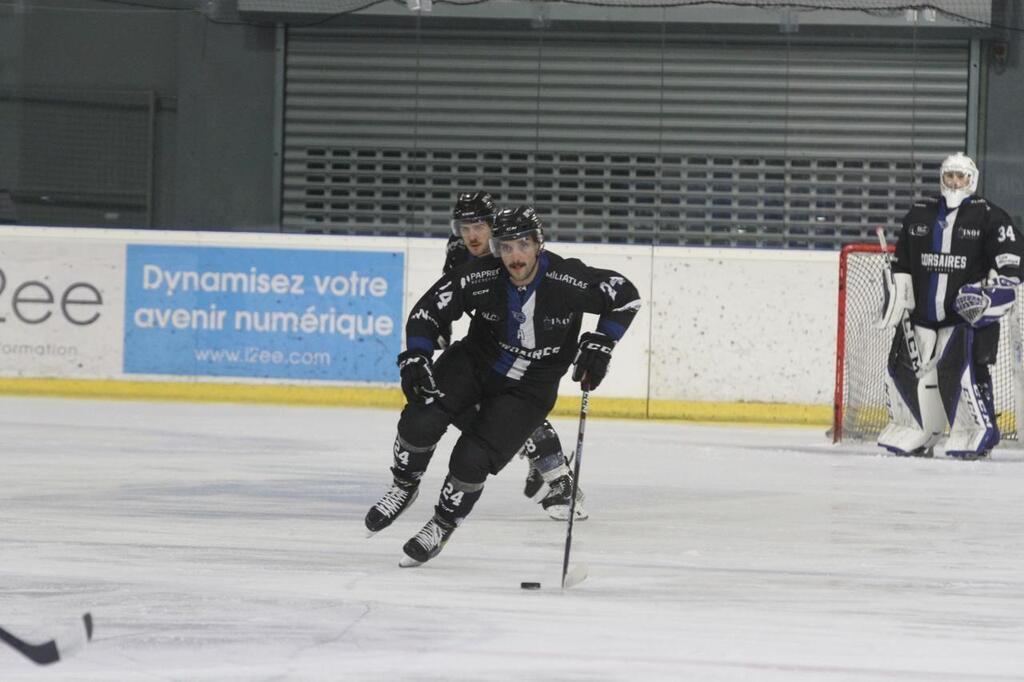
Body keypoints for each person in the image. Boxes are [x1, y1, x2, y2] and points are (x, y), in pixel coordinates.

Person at [365, 205, 641, 566]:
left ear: (538, 245)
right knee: (421, 418)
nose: (515, 256)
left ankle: (442, 524)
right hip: (475, 363)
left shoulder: (567, 279)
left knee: (471, 459)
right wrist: (417, 356)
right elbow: (427, 310)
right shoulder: (481, 275)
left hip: (531, 388)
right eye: (506, 247)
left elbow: (626, 295)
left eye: (523, 245)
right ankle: (404, 485)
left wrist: (602, 341)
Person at [444, 191, 587, 521]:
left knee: (510, 401)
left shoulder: (511, 253)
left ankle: (558, 478)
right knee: (461, 403)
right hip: (490, 336)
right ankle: (546, 467)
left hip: (526, 343)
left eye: (479, 225)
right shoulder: (457, 249)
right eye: (464, 227)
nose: (472, 235)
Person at [878, 152, 1024, 459]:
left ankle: (973, 433)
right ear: (942, 178)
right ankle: (914, 429)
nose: (955, 182)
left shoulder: (989, 216)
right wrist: (896, 291)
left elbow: (1011, 267)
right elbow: (901, 262)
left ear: (972, 180)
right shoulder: (920, 212)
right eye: (949, 176)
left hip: (963, 318)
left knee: (962, 376)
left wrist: (993, 294)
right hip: (920, 317)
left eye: (961, 177)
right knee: (902, 371)